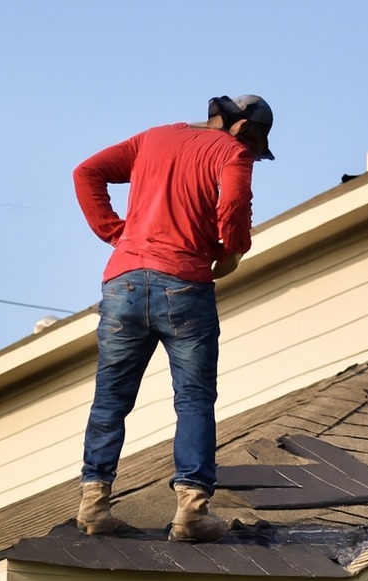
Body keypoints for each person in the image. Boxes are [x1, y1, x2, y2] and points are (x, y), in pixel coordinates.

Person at [72, 94, 274, 542]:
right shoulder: (232, 150)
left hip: (122, 283)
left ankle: (92, 507)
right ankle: (192, 512)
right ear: (243, 129)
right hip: (184, 284)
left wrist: (116, 233)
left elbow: (86, 172)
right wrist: (232, 250)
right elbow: (235, 203)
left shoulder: (155, 138)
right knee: (194, 399)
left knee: (110, 400)